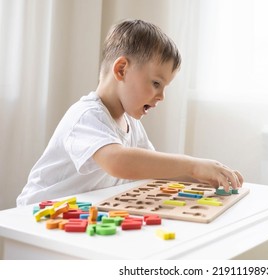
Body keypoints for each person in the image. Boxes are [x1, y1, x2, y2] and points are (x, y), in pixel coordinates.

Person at [16, 19, 243, 207]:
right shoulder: (86, 116)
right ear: (121, 69)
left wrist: (206, 175)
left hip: (78, 211)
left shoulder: (130, 123)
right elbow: (117, 162)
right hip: (35, 215)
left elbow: (154, 169)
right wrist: (193, 164)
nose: (161, 96)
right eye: (156, 83)